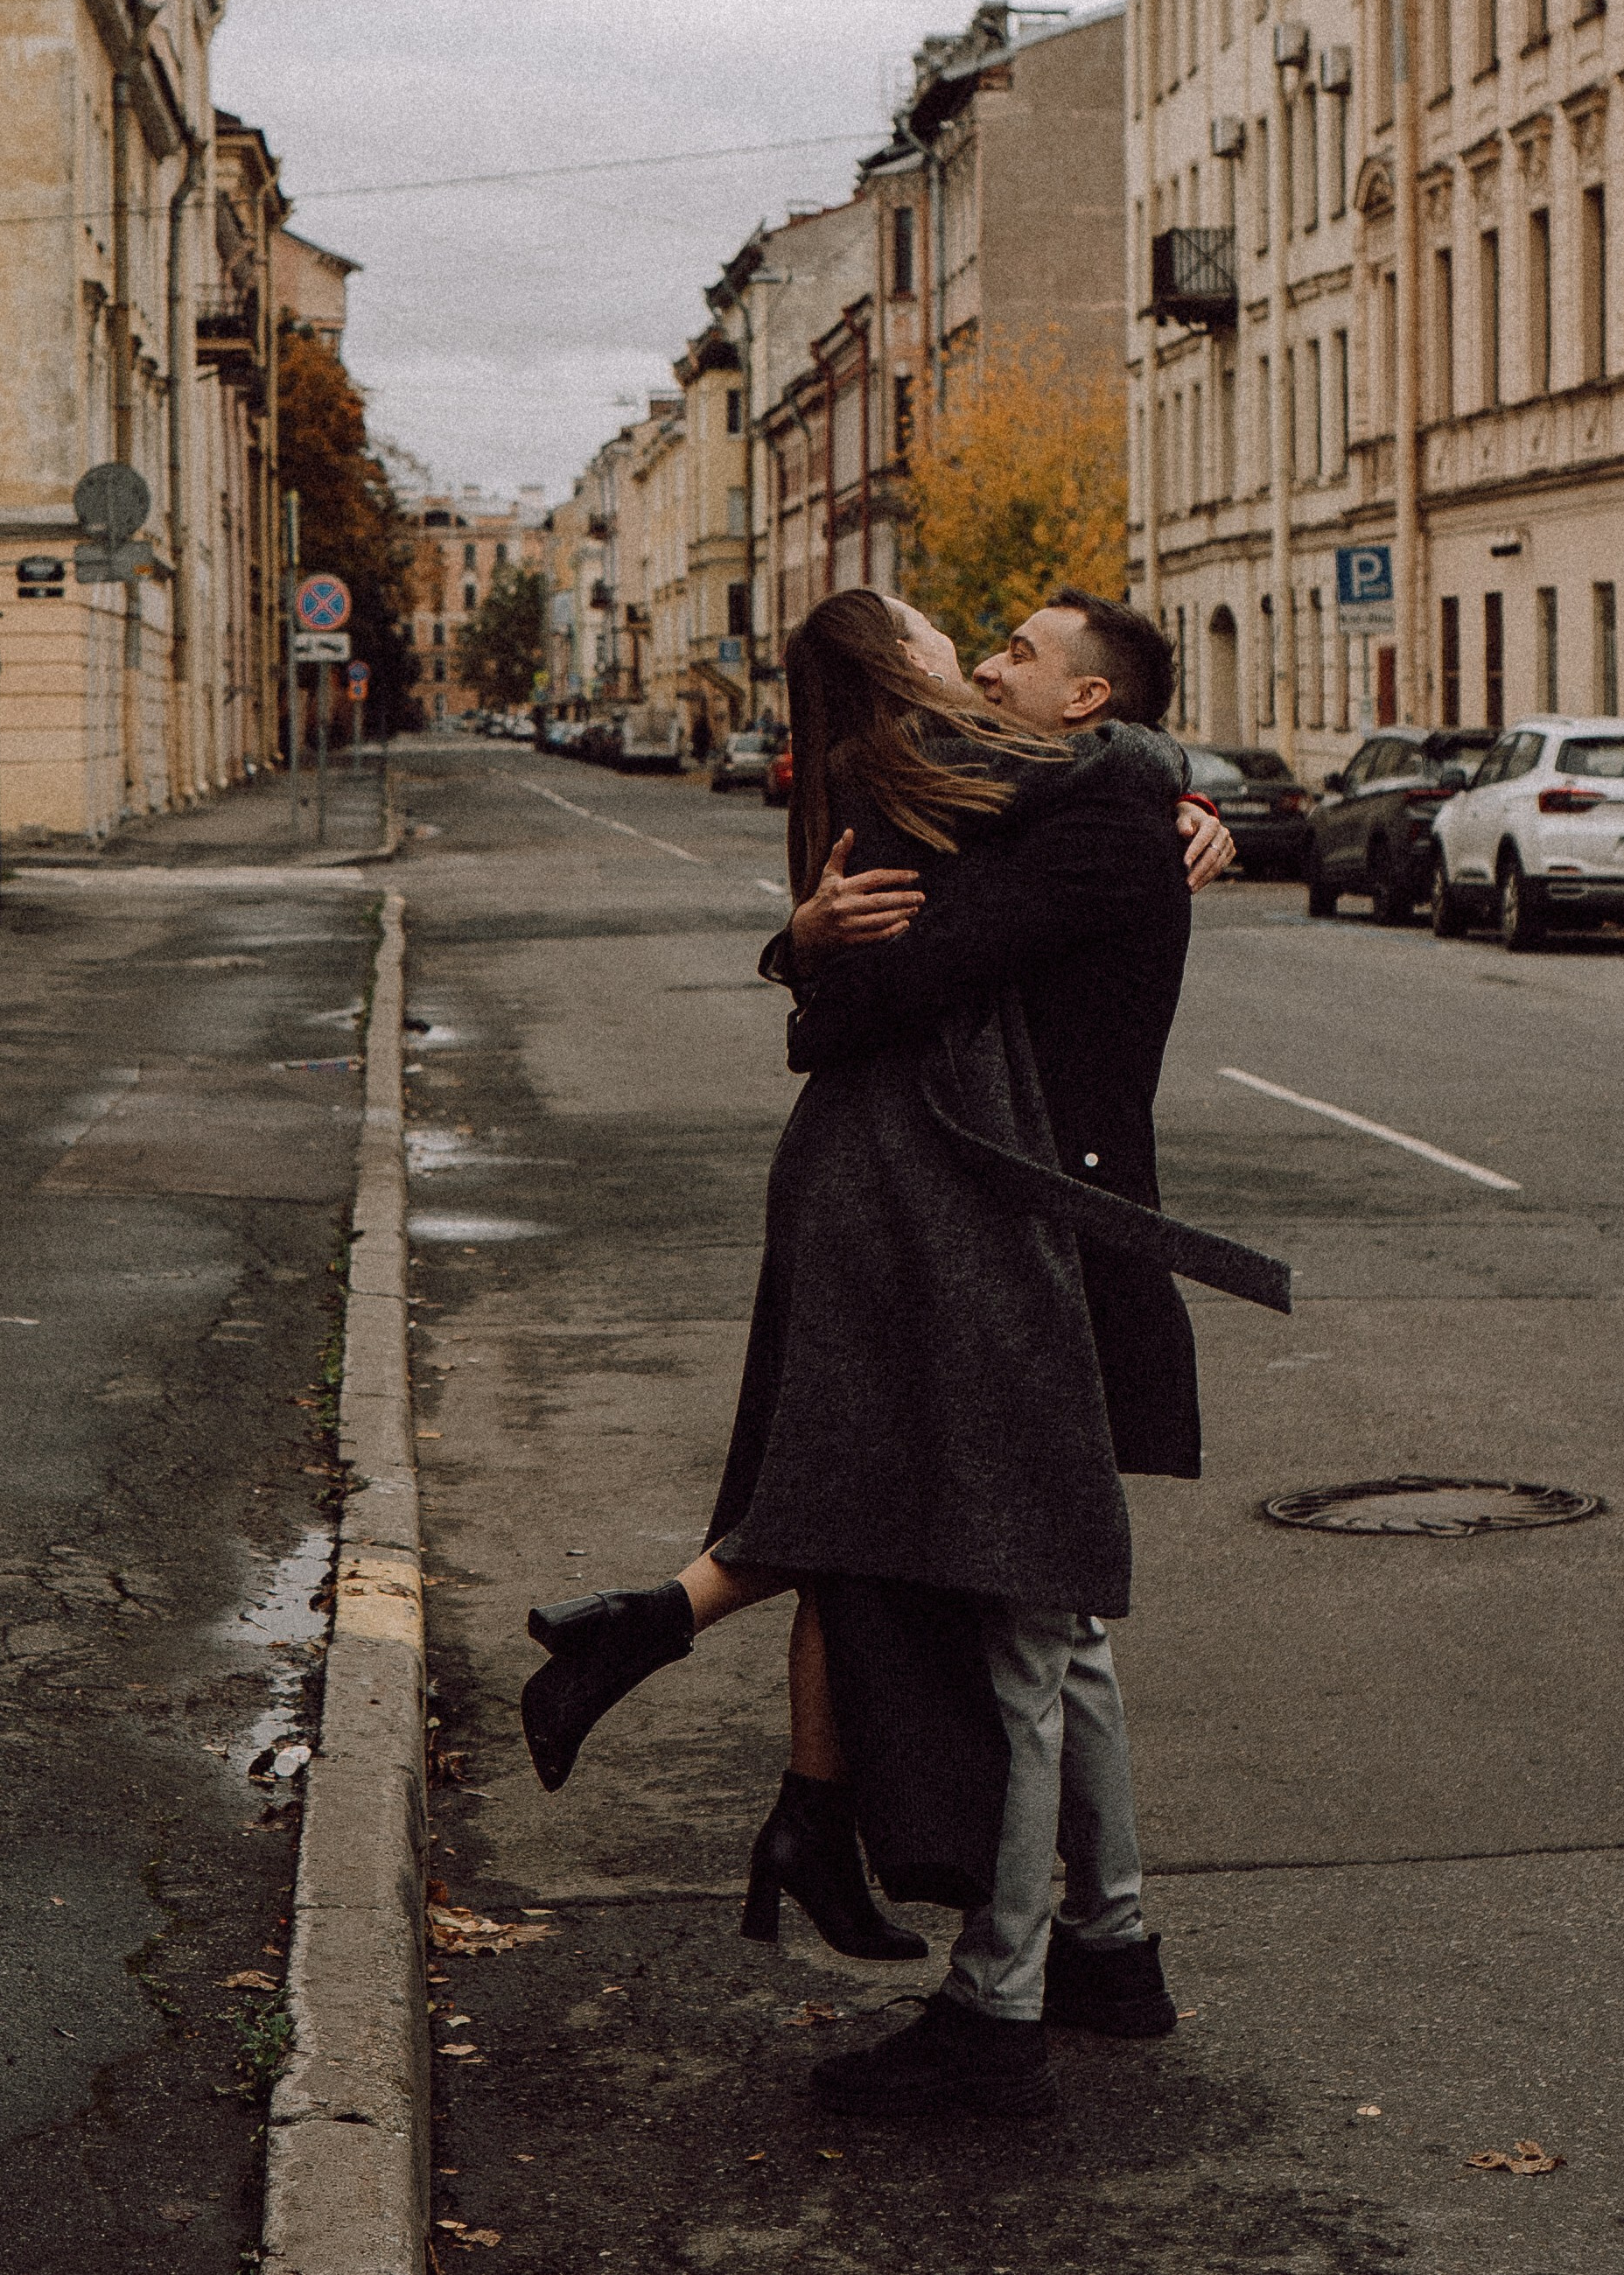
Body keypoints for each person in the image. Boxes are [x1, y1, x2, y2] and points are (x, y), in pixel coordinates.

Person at [519, 585, 1285, 2120]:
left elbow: (894, 988)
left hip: (1031, 1236)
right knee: (1052, 1624)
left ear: (1084, 702)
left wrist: (802, 955)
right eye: (965, 641)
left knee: (1017, 1628)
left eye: (1013, 651)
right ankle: (1108, 1947)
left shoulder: (1099, 807)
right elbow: (918, 937)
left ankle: (995, 2013)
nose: (983, 662)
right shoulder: (1068, 797)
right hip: (1008, 1229)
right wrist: (802, 936)